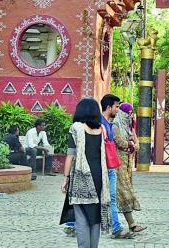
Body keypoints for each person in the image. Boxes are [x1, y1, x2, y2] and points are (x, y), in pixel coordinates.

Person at [60, 97, 112, 247]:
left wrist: (65, 178)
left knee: (82, 216)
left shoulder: (76, 127)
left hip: (81, 177)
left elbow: (71, 154)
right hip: (99, 177)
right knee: (95, 216)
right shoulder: (101, 129)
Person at [100, 93, 133, 239]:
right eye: (116, 107)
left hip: (111, 166)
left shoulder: (109, 124)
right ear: (109, 107)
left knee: (111, 198)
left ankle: (116, 227)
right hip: (104, 166)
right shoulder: (100, 124)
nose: (118, 110)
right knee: (97, 197)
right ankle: (73, 224)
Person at [112, 102, 146, 234]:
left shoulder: (129, 128)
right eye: (128, 113)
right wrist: (130, 143)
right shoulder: (115, 126)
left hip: (127, 166)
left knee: (123, 193)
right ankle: (131, 224)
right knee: (124, 193)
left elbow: (137, 145)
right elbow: (120, 142)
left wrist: (131, 143)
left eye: (131, 113)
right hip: (117, 165)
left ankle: (127, 224)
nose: (130, 115)